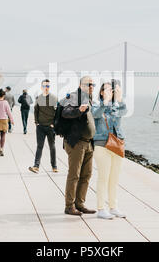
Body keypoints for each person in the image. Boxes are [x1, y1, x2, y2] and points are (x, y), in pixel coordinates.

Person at [60, 76, 97, 216]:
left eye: (93, 84)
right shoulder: (74, 97)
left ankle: (80, 203)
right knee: (74, 174)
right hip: (76, 143)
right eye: (89, 84)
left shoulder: (89, 98)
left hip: (88, 143)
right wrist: (79, 111)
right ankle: (69, 206)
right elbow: (65, 113)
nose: (92, 86)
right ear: (81, 85)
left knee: (86, 174)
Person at [91, 80, 127, 219]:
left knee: (114, 178)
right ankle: (101, 208)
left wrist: (119, 99)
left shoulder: (117, 105)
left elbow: (124, 111)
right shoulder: (96, 104)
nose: (109, 92)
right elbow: (96, 115)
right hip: (102, 144)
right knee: (103, 177)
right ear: (100, 92)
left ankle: (113, 207)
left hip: (117, 144)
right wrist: (104, 102)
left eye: (110, 90)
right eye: (105, 90)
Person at [28, 79, 58, 174]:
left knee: (52, 147)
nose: (46, 88)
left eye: (48, 86)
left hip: (50, 127)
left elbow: (57, 113)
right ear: (41, 87)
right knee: (39, 146)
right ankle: (36, 166)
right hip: (40, 127)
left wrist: (54, 124)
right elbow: (36, 111)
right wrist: (36, 122)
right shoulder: (39, 98)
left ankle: (54, 166)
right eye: (44, 86)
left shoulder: (54, 98)